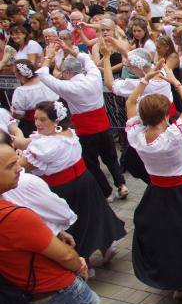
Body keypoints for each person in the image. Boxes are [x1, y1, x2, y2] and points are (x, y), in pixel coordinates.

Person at [0, 145, 126, 304]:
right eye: (11, 166)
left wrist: (53, 235)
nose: (19, 169)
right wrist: (79, 264)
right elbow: (66, 257)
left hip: (24, 298)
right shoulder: (15, 216)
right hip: (58, 290)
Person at [124, 64, 182, 293]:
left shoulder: (136, 135)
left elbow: (129, 104)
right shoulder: (172, 137)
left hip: (157, 193)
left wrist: (145, 80)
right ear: (166, 115)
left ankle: (177, 280)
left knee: (167, 237)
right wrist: (174, 82)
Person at [11, 101, 125, 262]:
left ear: (56, 121)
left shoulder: (44, 147)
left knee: (74, 224)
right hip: (85, 181)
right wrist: (16, 134)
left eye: (42, 119)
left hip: (64, 188)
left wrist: (14, 154)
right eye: (36, 118)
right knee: (93, 216)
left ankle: (83, 260)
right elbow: (29, 142)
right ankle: (105, 247)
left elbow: (19, 167)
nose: (37, 123)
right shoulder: (67, 133)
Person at [36, 47, 128, 200]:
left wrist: (48, 57)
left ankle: (107, 192)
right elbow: (86, 58)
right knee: (111, 157)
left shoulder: (67, 86)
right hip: (103, 126)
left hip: (85, 131)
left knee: (91, 163)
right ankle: (121, 184)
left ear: (67, 73)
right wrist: (69, 50)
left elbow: (43, 75)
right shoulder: (94, 76)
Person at [10, 59, 58, 137]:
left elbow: (20, 114)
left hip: (33, 125)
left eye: (15, 72)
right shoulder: (47, 80)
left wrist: (13, 113)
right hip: (55, 121)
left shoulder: (21, 91)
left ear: (19, 74)